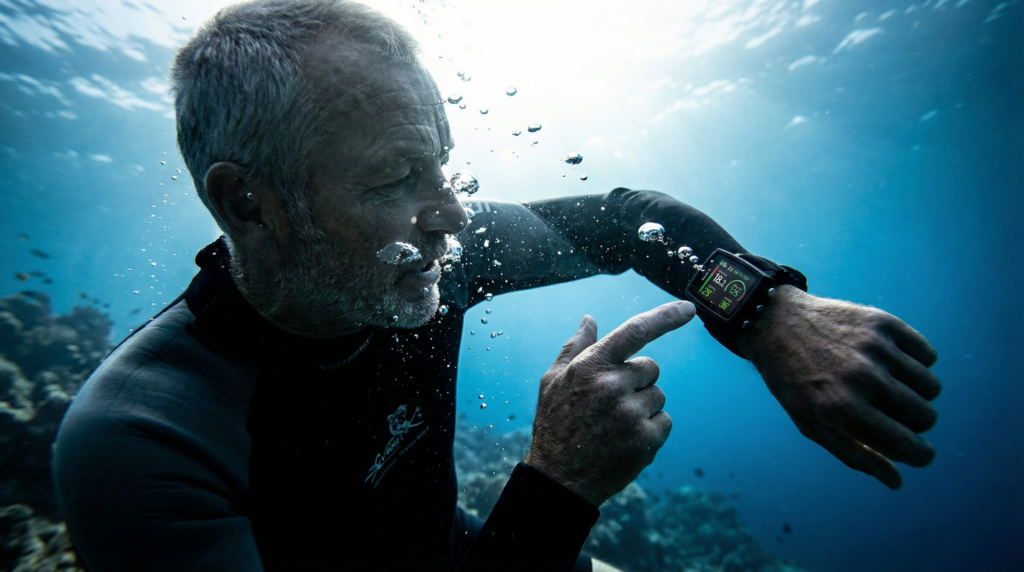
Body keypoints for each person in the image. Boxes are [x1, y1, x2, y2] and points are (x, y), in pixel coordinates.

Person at [51, 1, 942, 570]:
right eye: (395, 177)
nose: (450, 214)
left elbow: (621, 217)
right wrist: (561, 485)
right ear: (249, 203)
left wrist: (762, 310)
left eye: (443, 164)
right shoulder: (141, 446)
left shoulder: (437, 254)